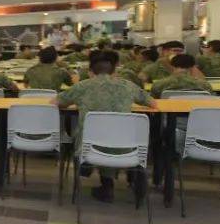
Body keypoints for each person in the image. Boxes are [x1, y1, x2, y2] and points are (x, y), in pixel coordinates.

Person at [56, 51, 154, 203]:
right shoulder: (127, 86)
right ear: (115, 71)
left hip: (87, 147)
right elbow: (152, 103)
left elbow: (55, 103)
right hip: (125, 147)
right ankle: (115, 184)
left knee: (87, 133)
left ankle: (91, 175)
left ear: (90, 72)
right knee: (111, 136)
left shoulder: (82, 86)